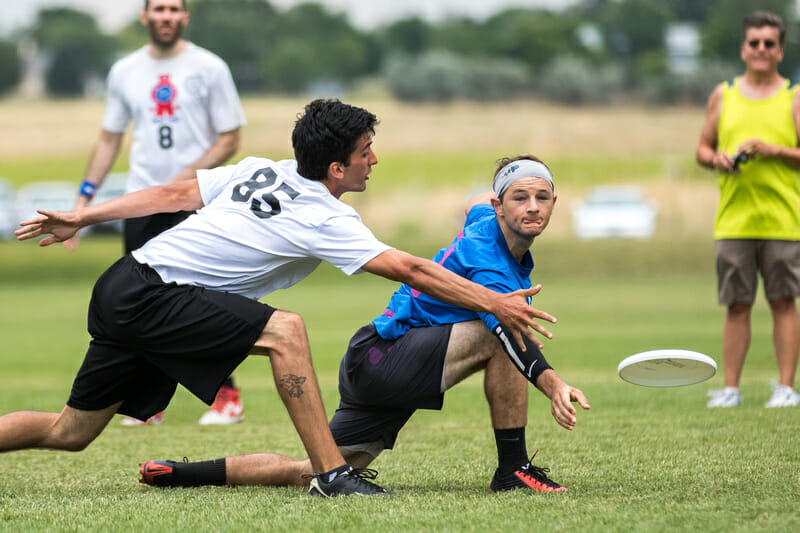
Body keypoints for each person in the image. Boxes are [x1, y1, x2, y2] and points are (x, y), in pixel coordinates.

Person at [8, 99, 554, 498]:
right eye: (367, 153)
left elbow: (174, 194)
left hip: (125, 284)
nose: (374, 161)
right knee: (285, 330)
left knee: (70, 432)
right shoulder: (325, 216)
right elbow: (409, 268)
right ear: (337, 167)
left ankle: (328, 472)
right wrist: (494, 302)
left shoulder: (262, 168)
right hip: (155, 294)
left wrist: (85, 213)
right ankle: (332, 476)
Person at [137, 155, 590, 494]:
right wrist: (552, 384)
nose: (532, 207)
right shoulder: (488, 262)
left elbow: (474, 201)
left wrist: (503, 182)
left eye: (542, 197)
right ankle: (512, 469)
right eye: (520, 197)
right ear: (499, 205)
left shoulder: (481, 217)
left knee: (315, 470)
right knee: (504, 332)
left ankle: (180, 473)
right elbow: (504, 329)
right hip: (387, 356)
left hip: (380, 359)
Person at [71, 0, 248, 425]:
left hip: (194, 202)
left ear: (184, 17)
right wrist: (83, 200)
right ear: (145, 17)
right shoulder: (124, 71)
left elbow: (230, 138)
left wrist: (183, 182)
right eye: (159, 8)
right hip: (140, 202)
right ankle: (149, 405)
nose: (166, 15)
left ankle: (228, 398)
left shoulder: (209, 67)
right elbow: (110, 139)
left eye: (174, 8)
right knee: (140, 303)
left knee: (201, 302)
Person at [697, 11, 800, 408]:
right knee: (737, 305)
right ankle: (730, 389)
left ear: (780, 50)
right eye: (754, 42)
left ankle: (787, 388)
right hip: (734, 221)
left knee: (783, 302)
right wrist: (717, 159)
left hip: (782, 220)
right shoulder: (724, 94)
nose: (761, 49)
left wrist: (774, 151)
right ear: (743, 49)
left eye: (768, 43)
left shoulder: (793, 96)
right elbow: (701, 148)